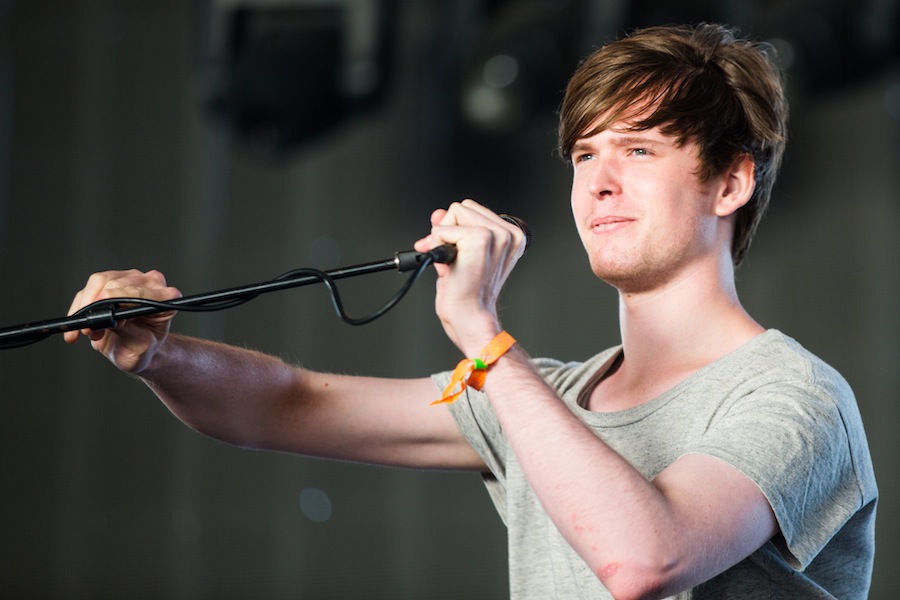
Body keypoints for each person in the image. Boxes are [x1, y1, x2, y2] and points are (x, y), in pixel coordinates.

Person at [65, 23, 876, 600]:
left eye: (638, 149)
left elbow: (644, 561)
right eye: (585, 153)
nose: (597, 182)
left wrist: (483, 334)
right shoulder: (540, 399)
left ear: (730, 183)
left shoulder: (792, 397)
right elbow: (290, 402)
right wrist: (159, 355)